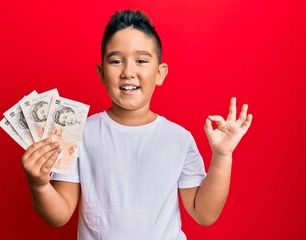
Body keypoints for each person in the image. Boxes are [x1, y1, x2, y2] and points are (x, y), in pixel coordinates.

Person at [21, 9, 253, 239]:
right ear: (102, 73)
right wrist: (39, 184)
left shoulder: (179, 139)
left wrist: (222, 156)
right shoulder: (79, 134)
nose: (128, 72)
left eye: (141, 60)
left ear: (160, 73)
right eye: (116, 60)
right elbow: (59, 215)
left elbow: (204, 214)